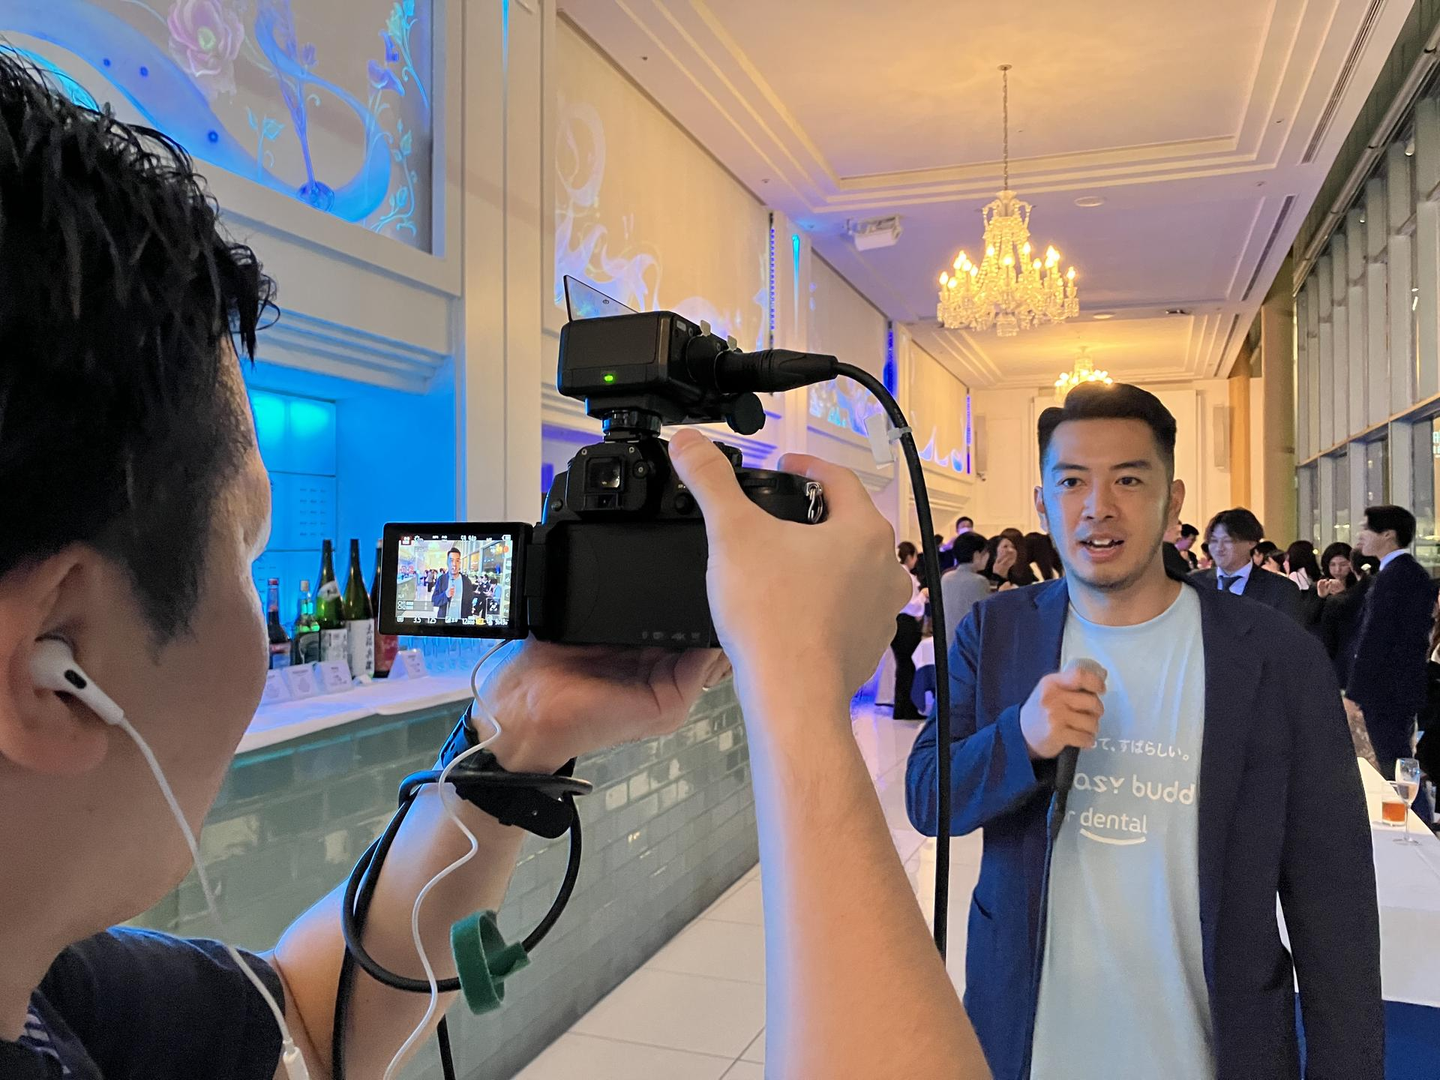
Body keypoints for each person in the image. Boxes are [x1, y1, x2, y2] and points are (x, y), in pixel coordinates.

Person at [0, 58, 990, 1080]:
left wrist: (510, 744)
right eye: (246, 550)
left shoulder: (45, 989)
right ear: (56, 662)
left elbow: (306, 1026)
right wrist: (801, 697)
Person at [905, 383, 1380, 1080]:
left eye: (1128, 479)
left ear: (1172, 500)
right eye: (1072, 481)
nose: (1098, 505)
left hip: (1210, 1050)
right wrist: (1020, 739)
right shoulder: (996, 632)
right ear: (1042, 502)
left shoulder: (1276, 655)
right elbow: (927, 795)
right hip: (1027, 1045)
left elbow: (1334, 899)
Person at [1346, 505, 1437, 825]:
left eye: (1366, 528)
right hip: (1398, 686)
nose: (1360, 536)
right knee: (1397, 758)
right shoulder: (1404, 573)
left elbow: (1377, 638)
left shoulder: (1396, 576)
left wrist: (1355, 692)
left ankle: (1417, 822)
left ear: (1388, 535)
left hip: (1388, 688)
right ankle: (1411, 821)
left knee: (1395, 760)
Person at [1192, 509, 1305, 623]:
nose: (1219, 548)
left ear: (1251, 542)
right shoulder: (1194, 583)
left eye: (1227, 541)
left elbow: (1289, 632)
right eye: (1213, 541)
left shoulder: (1281, 589)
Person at [890, 542, 928, 720]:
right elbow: (911, 605)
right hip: (906, 624)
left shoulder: (894, 575)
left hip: (896, 624)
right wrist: (923, 595)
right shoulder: (907, 577)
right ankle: (908, 709)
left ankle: (901, 708)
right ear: (910, 556)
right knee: (908, 667)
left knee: (903, 667)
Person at [940, 532, 993, 638]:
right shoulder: (979, 581)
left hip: (948, 638)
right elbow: (986, 616)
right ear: (977, 555)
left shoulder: (946, 578)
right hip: (969, 641)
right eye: (985, 552)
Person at [430, 547, 475, 623]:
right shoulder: (442, 579)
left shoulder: (467, 582)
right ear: (447, 562)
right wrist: (445, 595)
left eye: (457, 561)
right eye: (451, 560)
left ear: (460, 563)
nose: (454, 564)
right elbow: (434, 601)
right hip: (444, 624)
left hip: (461, 623)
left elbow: (469, 605)